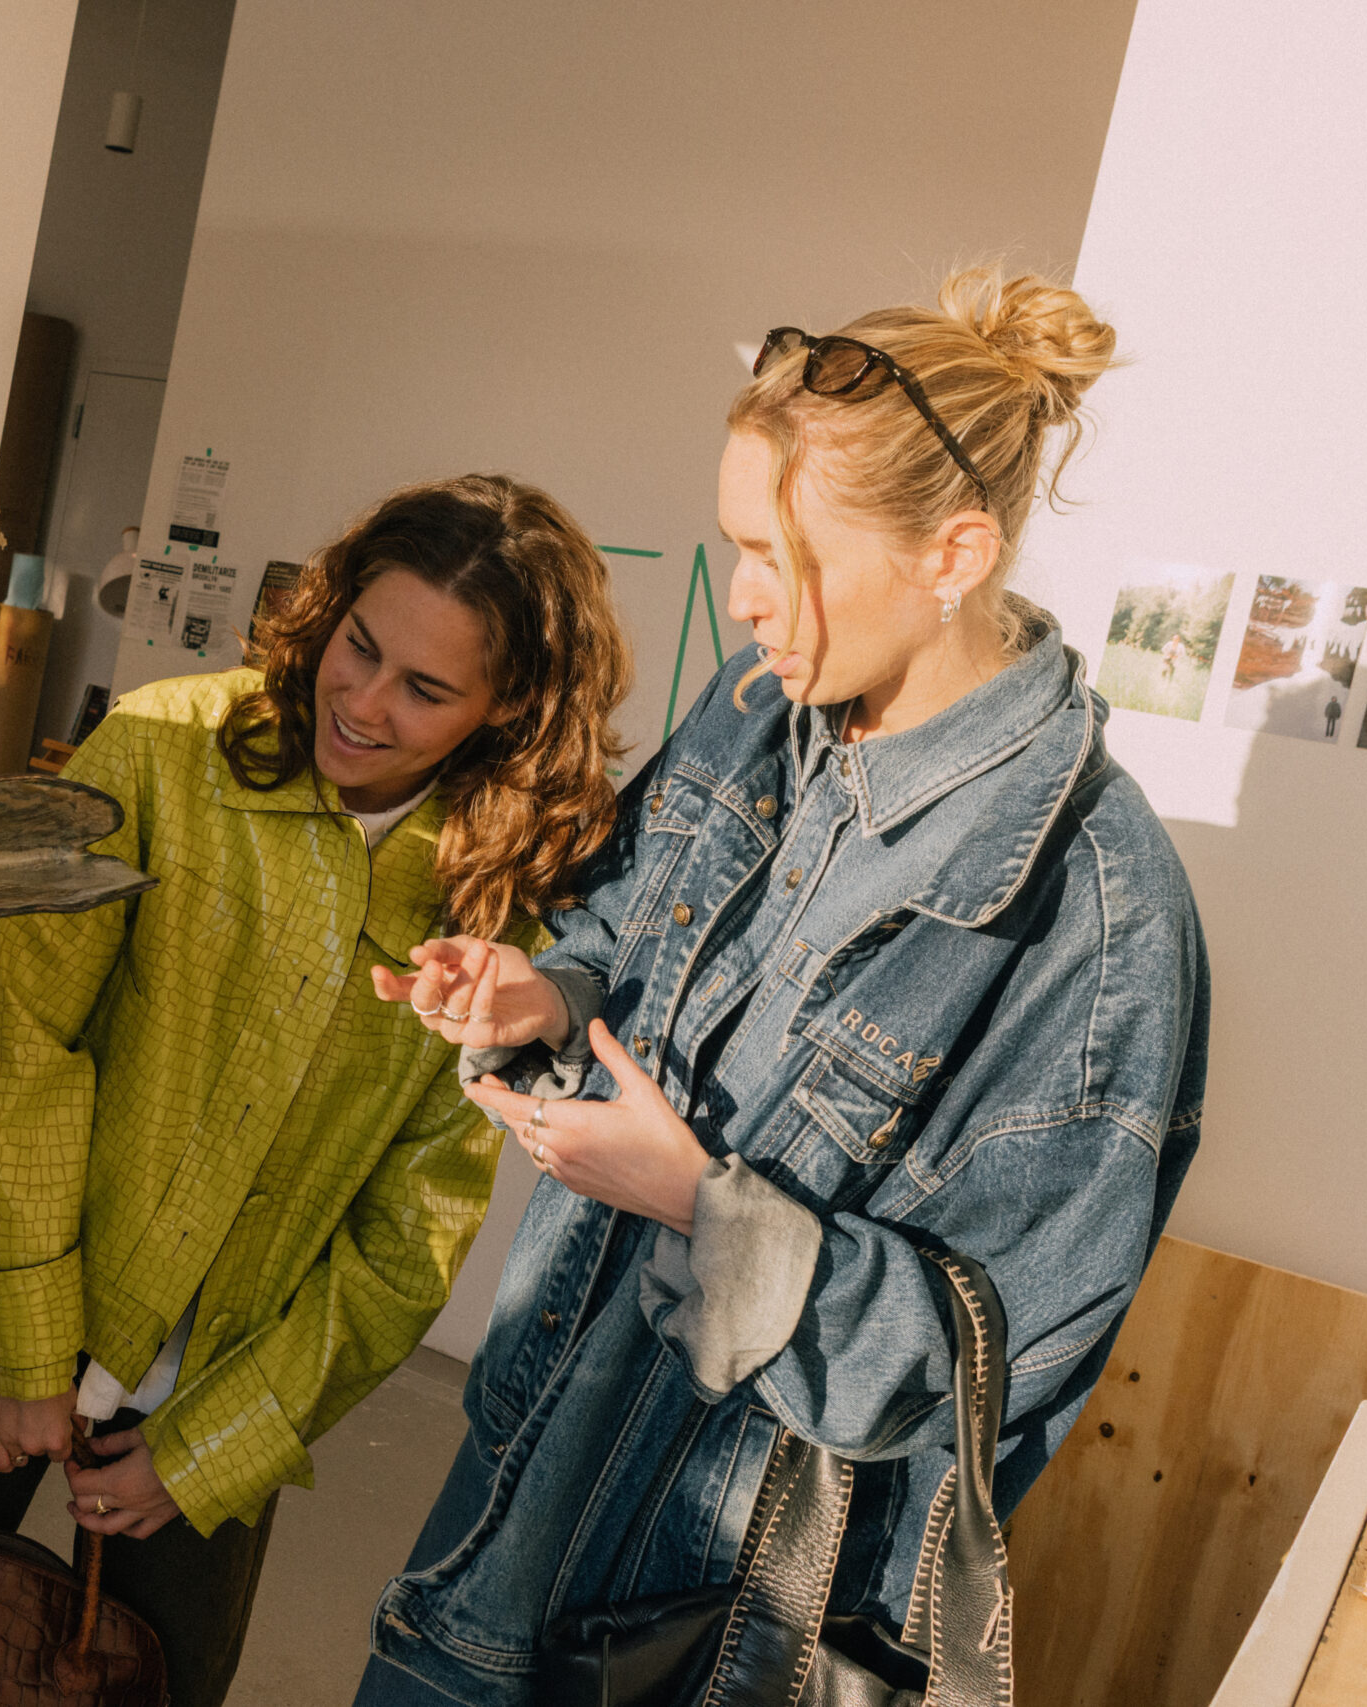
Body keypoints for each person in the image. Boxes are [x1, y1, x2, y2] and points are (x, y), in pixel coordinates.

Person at [356, 269, 1210, 1706]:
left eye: (777, 554)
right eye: (735, 546)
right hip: (514, 1478)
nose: (743, 598)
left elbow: (977, 1380)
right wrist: (549, 993)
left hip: (703, 1616)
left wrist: (701, 1205)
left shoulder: (1097, 920)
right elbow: (622, 921)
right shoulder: (759, 710)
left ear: (953, 554)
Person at [0, 476, 633, 1707]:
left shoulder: (497, 893)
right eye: (360, 646)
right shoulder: (164, 746)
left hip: (227, 1377)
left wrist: (209, 1452)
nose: (363, 703)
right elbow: (24, 1040)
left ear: (508, 704)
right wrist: (26, 1348)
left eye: (425, 689)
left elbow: (411, 1230)